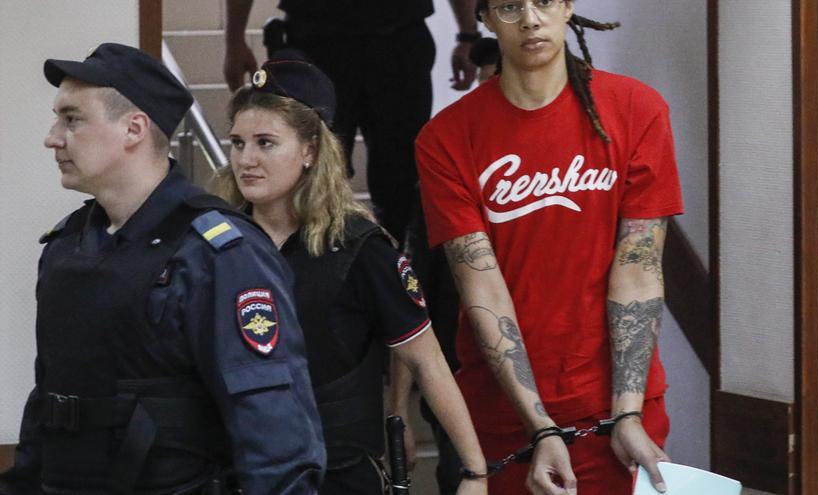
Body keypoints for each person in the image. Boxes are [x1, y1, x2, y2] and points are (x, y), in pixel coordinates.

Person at [0, 43, 324, 495]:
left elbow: (273, 433)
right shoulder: (67, 246)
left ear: (134, 129)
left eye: (72, 119)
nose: (53, 138)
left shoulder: (217, 253)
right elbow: (48, 407)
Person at [415, 1, 685, 494]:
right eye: (509, 6)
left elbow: (639, 267)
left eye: (543, 1)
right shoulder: (445, 137)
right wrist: (540, 427)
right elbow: (481, 288)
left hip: (620, 406)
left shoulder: (638, 109)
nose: (530, 19)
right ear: (484, 18)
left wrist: (626, 413)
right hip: (504, 411)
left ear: (566, 7)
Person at [216, 57, 488, 495]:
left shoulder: (360, 249)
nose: (245, 159)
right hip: (238, 471)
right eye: (237, 143)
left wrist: (475, 472)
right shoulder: (216, 243)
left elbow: (427, 362)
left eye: (265, 143)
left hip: (336, 473)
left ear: (310, 151)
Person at [223, 0, 480, 244]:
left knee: (402, 179)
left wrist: (468, 35)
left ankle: (397, 265)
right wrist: (234, 41)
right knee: (311, 173)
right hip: (318, 37)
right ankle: (307, 259)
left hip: (398, 38)